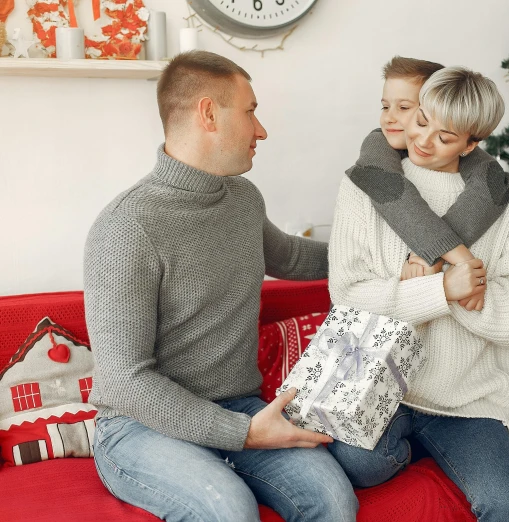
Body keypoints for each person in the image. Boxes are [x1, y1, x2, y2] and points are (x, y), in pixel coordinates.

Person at [83, 51, 358, 522]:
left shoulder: (242, 198)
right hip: (140, 425)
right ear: (208, 113)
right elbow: (125, 382)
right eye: (251, 112)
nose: (262, 130)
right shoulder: (127, 228)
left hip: (237, 406)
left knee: (333, 499)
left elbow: (290, 256)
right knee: (229, 509)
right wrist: (244, 433)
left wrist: (381, 258)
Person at [328, 66, 509, 521]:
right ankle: (419, 449)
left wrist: (416, 290)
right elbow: (348, 295)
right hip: (383, 386)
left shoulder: (508, 199)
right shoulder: (364, 188)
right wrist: (444, 289)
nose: (423, 140)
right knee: (359, 465)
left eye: (445, 137)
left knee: (508, 505)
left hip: (472, 400)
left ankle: (445, 445)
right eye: (421, 120)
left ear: (471, 144)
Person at [347, 56, 509, 311]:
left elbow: (491, 185)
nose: (390, 118)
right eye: (385, 107)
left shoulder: (486, 172)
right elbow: (397, 198)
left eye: (404, 108)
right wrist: (459, 263)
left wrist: (428, 257)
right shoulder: (374, 153)